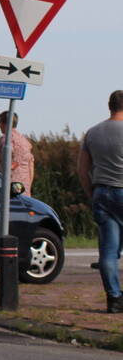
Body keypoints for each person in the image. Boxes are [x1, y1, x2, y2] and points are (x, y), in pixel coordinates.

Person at [76, 90, 123, 313]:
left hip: (101, 192)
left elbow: (82, 169)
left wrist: (91, 192)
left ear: (109, 106)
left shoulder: (93, 133)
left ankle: (114, 298)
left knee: (108, 250)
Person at [0, 110, 34, 196]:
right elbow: (31, 165)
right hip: (24, 188)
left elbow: (4, 163)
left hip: (10, 187)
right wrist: (28, 187)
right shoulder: (25, 141)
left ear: (5, 124)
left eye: (0, 123)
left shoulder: (6, 140)